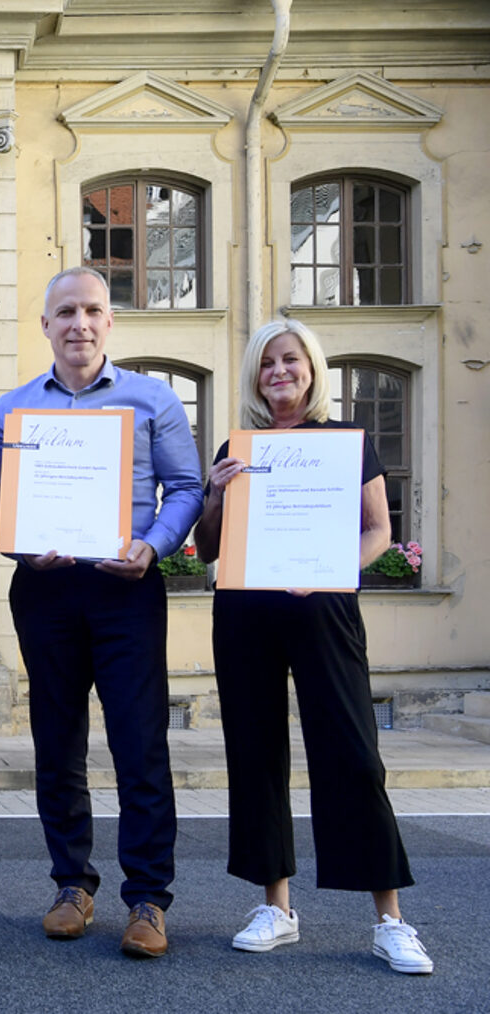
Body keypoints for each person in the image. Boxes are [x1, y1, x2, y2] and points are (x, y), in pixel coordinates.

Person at [192, 319, 433, 974]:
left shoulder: (343, 443)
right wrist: (215, 493)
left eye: (289, 360)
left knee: (352, 754)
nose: (279, 372)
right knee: (257, 753)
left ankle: (390, 920)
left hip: (323, 608)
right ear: (254, 376)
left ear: (311, 368)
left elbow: (377, 531)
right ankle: (277, 907)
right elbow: (209, 548)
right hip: (245, 612)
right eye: (267, 363)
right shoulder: (237, 446)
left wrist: (329, 570)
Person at [0, 265, 202, 959]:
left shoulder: (151, 399)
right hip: (46, 591)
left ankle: (147, 899)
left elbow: (187, 487)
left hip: (126, 588)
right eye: (65, 312)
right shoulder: (11, 410)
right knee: (58, 744)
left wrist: (154, 546)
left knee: (140, 744)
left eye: (92, 311)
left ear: (110, 322)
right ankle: (72, 886)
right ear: (45, 325)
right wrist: (18, 547)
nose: (79, 323)